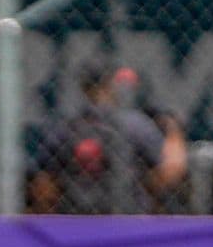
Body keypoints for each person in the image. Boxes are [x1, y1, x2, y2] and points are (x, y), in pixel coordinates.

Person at [27, 61, 188, 215]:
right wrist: (174, 130)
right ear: (111, 86)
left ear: (84, 89)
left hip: (75, 219)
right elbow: (170, 173)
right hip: (129, 219)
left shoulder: (65, 127)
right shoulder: (135, 124)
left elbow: (43, 186)